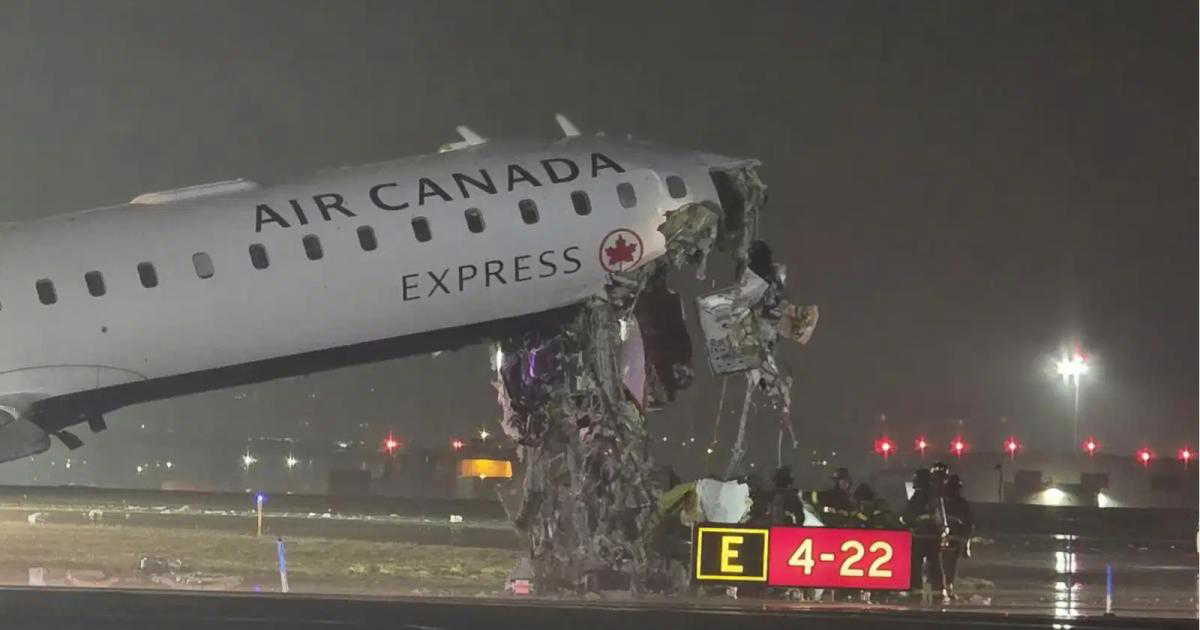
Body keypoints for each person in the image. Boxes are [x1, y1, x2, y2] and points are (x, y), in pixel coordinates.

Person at [901, 468, 943, 600]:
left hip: (919, 537)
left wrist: (905, 522)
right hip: (934, 537)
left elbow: (908, 516)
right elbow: (940, 518)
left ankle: (916, 590)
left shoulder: (917, 497)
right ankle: (938, 591)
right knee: (935, 563)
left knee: (915, 564)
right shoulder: (935, 497)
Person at [939, 474, 974, 602]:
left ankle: (947, 588)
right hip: (944, 538)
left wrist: (966, 543)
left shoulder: (959, 504)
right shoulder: (942, 502)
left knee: (950, 566)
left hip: (954, 539)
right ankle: (944, 588)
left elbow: (969, 524)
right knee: (944, 565)